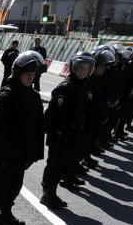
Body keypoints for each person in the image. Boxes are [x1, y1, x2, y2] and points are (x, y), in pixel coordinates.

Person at [0, 50, 45, 225]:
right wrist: (1, 154)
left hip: (22, 153)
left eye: (33, 75)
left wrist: (34, 153)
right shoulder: (6, 96)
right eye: (27, 74)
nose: (30, 78)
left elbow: (39, 127)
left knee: (15, 186)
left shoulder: (34, 96)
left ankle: (7, 212)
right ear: (18, 74)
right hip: (6, 154)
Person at [40, 51, 95, 210]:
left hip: (73, 133)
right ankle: (47, 194)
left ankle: (53, 192)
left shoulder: (82, 85)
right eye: (80, 68)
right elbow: (52, 114)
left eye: (86, 69)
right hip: (60, 134)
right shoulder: (66, 87)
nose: (82, 71)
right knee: (54, 165)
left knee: (64, 165)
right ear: (73, 68)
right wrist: (51, 133)